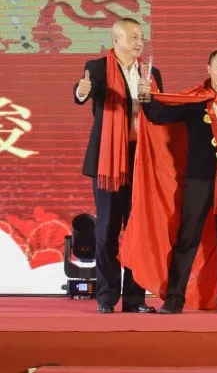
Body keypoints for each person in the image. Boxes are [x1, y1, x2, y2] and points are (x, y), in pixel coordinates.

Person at [141, 50, 217, 314]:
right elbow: (160, 114)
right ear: (208, 68)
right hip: (198, 178)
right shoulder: (195, 99)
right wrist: (145, 95)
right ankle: (174, 298)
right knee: (187, 238)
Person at [74, 17, 161, 314]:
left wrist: (152, 100)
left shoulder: (150, 73)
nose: (139, 42)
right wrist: (81, 91)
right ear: (116, 40)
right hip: (109, 160)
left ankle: (135, 298)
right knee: (108, 228)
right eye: (133, 37)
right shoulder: (98, 68)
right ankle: (106, 297)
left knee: (138, 229)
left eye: (141, 37)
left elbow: (160, 117)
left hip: (141, 159)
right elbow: (88, 90)